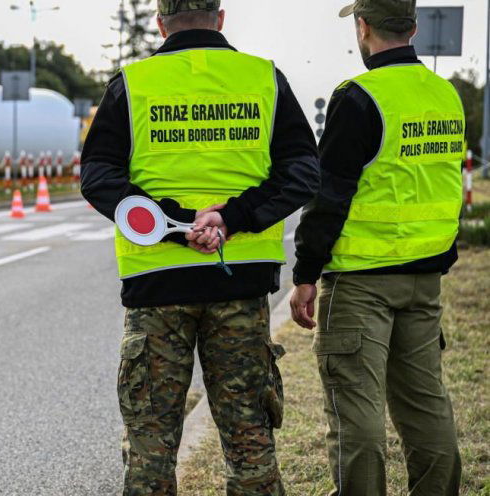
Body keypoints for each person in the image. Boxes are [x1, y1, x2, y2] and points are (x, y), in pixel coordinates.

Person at [80, 1, 319, 493]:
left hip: (157, 286)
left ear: (161, 23)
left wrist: (173, 225)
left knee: (150, 448)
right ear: (221, 18)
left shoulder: (133, 84)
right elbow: (302, 172)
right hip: (241, 281)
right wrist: (232, 218)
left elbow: (98, 175)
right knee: (250, 442)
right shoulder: (264, 79)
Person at [290, 1, 464, 494]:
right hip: (425, 281)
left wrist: (306, 273)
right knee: (427, 405)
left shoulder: (359, 97)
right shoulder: (443, 95)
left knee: (356, 415)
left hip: (361, 281)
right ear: (412, 27)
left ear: (363, 27)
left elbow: (330, 195)